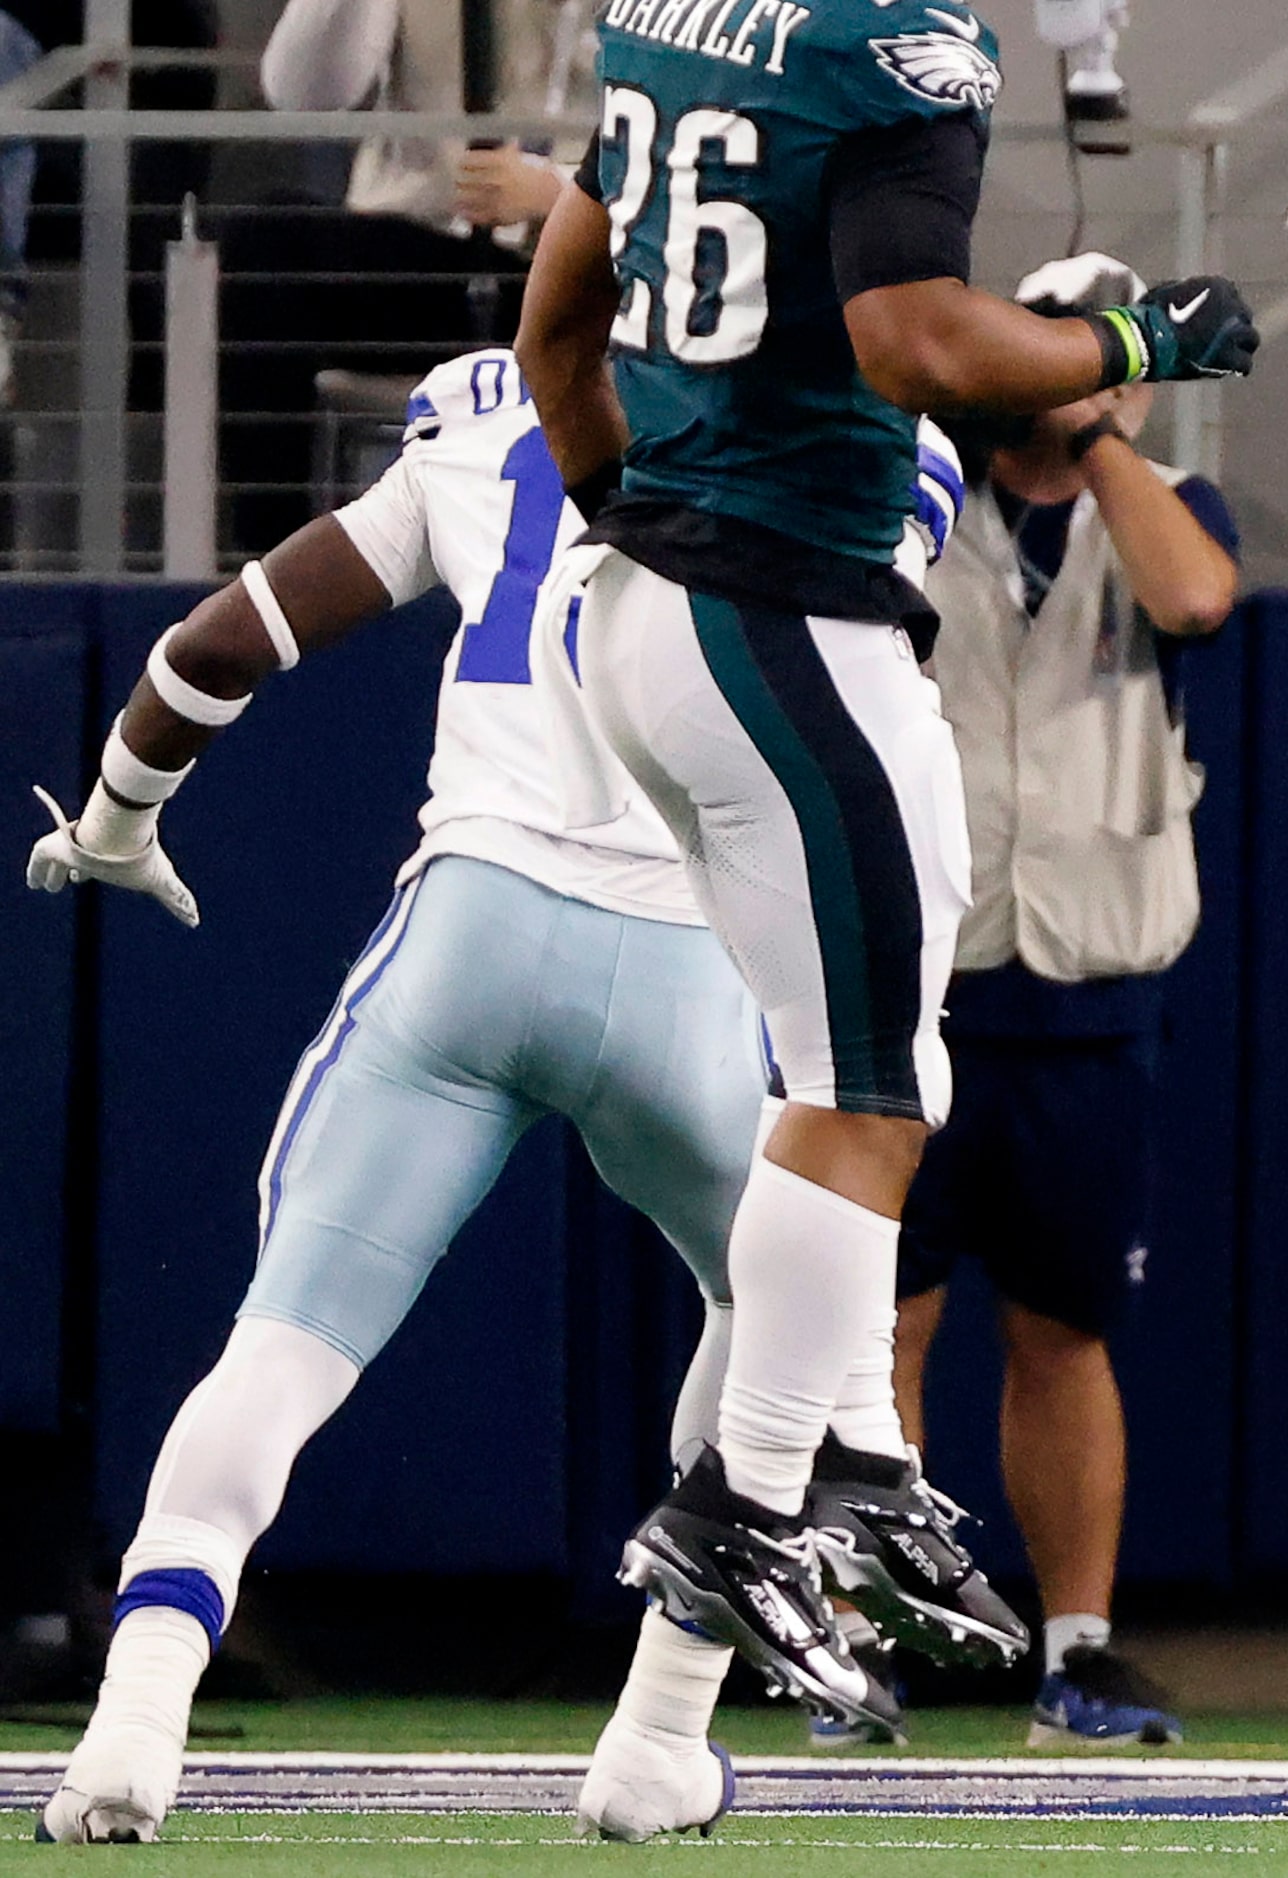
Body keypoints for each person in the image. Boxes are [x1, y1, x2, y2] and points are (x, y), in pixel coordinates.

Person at [20, 347, 966, 1845]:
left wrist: (126, 818)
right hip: (695, 966)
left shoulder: (487, 420)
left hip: (474, 930)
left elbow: (223, 640)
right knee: (774, 1319)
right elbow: (866, 698)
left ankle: (134, 1720)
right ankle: (657, 1733)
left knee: (281, 1344)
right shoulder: (860, 434)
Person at [511, 0, 1256, 1801]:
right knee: (869, 1097)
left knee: (849, 1074)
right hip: (785, 608)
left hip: (656, 599)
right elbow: (915, 339)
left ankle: (789, 1519)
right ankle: (751, 1499)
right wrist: (1139, 328)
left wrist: (638, 513)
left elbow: (553, 327)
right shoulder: (897, 45)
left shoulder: (662, 20)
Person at [861, 251, 1241, 1753]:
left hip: (1088, 985)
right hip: (919, 980)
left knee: (1062, 1329)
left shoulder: (1164, 504)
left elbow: (1195, 596)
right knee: (881, 1324)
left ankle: (1075, 1647)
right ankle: (861, 1635)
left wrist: (1095, 441)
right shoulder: (917, 489)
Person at [228, 0, 595, 556]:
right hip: (424, 248)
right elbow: (303, 93)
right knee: (267, 243)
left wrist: (556, 189)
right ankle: (273, 571)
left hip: (572, 267)